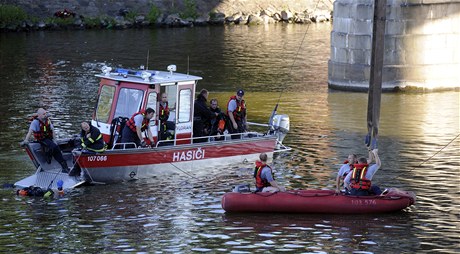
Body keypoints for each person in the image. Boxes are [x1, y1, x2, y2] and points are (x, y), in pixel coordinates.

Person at [21, 108, 70, 173]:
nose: (45, 115)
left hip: (49, 138)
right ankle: (48, 157)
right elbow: (30, 131)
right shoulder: (35, 122)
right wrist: (26, 140)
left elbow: (52, 131)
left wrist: (55, 140)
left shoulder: (48, 120)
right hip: (41, 139)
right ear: (39, 115)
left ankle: (64, 167)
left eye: (45, 113)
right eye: (44, 114)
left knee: (56, 148)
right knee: (53, 147)